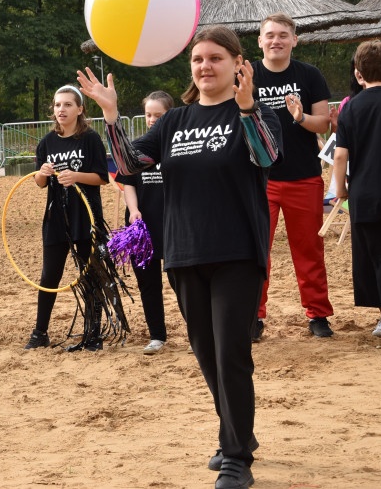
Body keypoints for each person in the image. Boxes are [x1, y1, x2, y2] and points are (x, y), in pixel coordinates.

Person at [79, 26, 282, 489]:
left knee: (231, 351)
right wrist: (111, 117)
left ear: (237, 64)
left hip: (237, 251)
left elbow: (267, 156)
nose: (205, 66)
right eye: (198, 60)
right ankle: (239, 436)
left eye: (215, 58)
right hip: (184, 251)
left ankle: (235, 457)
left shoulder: (254, 111)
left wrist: (248, 107)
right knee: (206, 352)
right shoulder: (174, 121)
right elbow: (128, 166)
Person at [250, 12, 334, 341]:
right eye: (270, 35)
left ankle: (318, 315)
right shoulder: (248, 75)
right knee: (257, 251)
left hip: (304, 178)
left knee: (309, 250)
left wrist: (300, 118)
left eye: (283, 35)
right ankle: (253, 317)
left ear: (294, 40)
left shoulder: (309, 75)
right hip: (260, 180)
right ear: (260, 41)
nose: (276, 40)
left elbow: (324, 123)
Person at [24, 85, 110, 351]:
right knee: (49, 275)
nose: (61, 109)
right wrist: (43, 172)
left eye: (68, 105)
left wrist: (76, 177)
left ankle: (93, 333)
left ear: (80, 109)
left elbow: (101, 178)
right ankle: (40, 333)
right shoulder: (47, 142)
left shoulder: (90, 139)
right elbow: (38, 183)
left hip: (86, 216)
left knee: (90, 274)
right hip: (56, 218)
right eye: (58, 105)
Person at [333, 41, 381, 351]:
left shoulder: (350, 107)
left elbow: (340, 156)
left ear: (358, 75)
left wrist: (340, 190)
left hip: (364, 195)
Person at [116, 91, 174, 355]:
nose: (152, 120)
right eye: (148, 115)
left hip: (173, 224)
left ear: (170, 115)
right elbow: (127, 181)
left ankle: (199, 333)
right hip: (143, 226)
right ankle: (157, 336)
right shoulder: (136, 147)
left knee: (181, 280)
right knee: (148, 283)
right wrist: (133, 209)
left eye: (158, 115)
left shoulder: (178, 146)